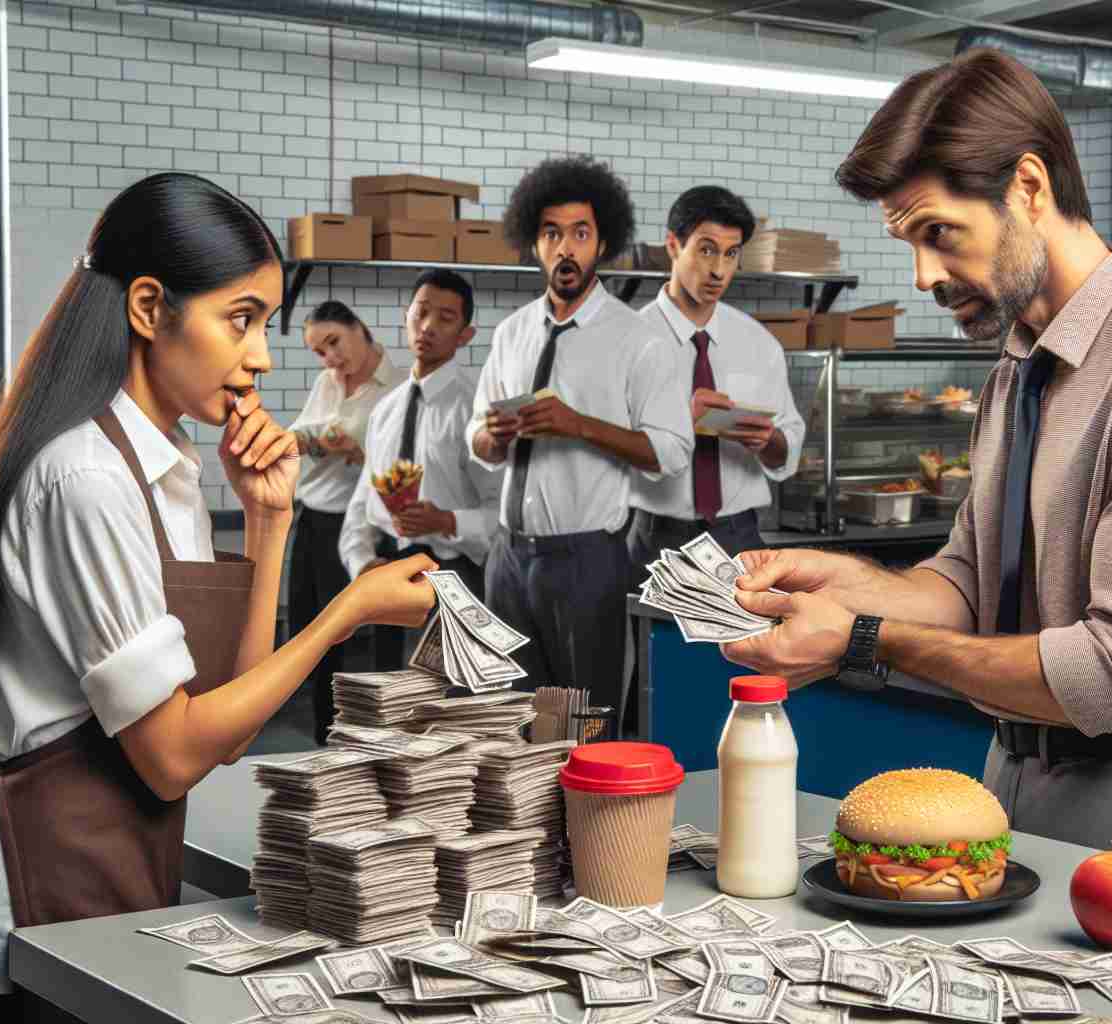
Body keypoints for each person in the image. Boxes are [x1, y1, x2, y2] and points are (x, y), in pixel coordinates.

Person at [723, 50, 1112, 882]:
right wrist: (835, 582)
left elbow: (1111, 678)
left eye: (939, 234)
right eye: (910, 243)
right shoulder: (1021, 368)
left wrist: (866, 641)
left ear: (1027, 187)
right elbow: (968, 587)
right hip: (1009, 771)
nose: (923, 277)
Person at [0, 173, 438, 1021]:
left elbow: (224, 725)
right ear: (150, 308)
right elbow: (175, 753)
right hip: (35, 890)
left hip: (107, 873)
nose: (261, 355)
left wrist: (271, 524)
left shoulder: (166, 467)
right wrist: (345, 614)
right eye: (242, 319)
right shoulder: (86, 475)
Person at [467, 155, 691, 714]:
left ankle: (586, 808)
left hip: (587, 561)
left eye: (580, 234)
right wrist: (491, 438)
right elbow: (475, 434)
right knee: (511, 720)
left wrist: (579, 425)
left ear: (602, 243)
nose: (565, 248)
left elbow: (671, 450)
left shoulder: (637, 340)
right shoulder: (513, 332)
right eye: (551, 234)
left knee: (585, 723)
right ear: (534, 242)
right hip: (507, 560)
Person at [626, 186, 805, 572]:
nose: (719, 270)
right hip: (656, 540)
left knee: (749, 636)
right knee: (651, 636)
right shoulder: (625, 342)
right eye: (706, 249)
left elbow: (787, 446)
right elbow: (603, 456)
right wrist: (679, 423)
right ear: (673, 245)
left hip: (739, 538)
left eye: (731, 253)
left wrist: (768, 440)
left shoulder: (760, 344)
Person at [341, 269, 499, 668]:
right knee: (388, 699)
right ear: (406, 315)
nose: (427, 327)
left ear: (465, 335)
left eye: (445, 319)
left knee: (452, 702)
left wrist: (446, 520)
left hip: (455, 576)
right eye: (421, 312)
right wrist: (363, 564)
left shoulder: (476, 411)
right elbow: (362, 503)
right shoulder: (386, 410)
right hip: (389, 573)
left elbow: (503, 515)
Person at [288, 299, 401, 742]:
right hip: (315, 517)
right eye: (319, 351)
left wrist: (362, 453)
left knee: (382, 629)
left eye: (333, 342)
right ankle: (327, 729)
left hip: (370, 524)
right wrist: (313, 441)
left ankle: (385, 727)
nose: (330, 357)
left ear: (359, 328)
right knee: (317, 628)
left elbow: (408, 464)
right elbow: (296, 437)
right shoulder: (325, 383)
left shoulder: (397, 388)